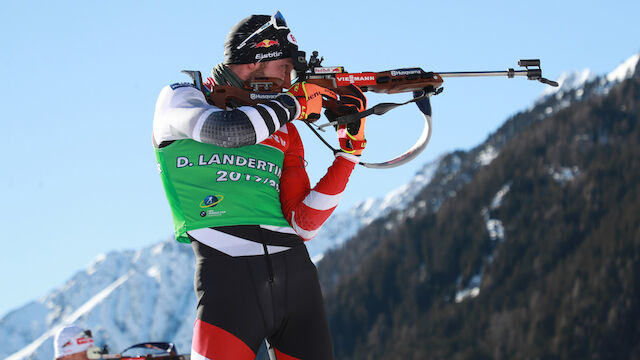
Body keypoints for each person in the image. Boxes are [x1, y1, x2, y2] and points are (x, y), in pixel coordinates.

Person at [153, 11, 367, 360]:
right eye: (284, 67)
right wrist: (296, 102)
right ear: (256, 60)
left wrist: (350, 153)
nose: (290, 78)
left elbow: (303, 223)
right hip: (227, 277)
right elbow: (228, 131)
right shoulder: (182, 98)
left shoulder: (283, 126)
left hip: (297, 279)